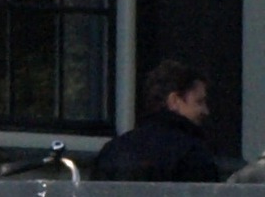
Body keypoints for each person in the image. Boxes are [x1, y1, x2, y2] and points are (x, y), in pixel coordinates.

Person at [92, 61, 225, 183]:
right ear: (174, 101)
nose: (205, 110)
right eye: (199, 102)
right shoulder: (192, 154)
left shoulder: (112, 151)